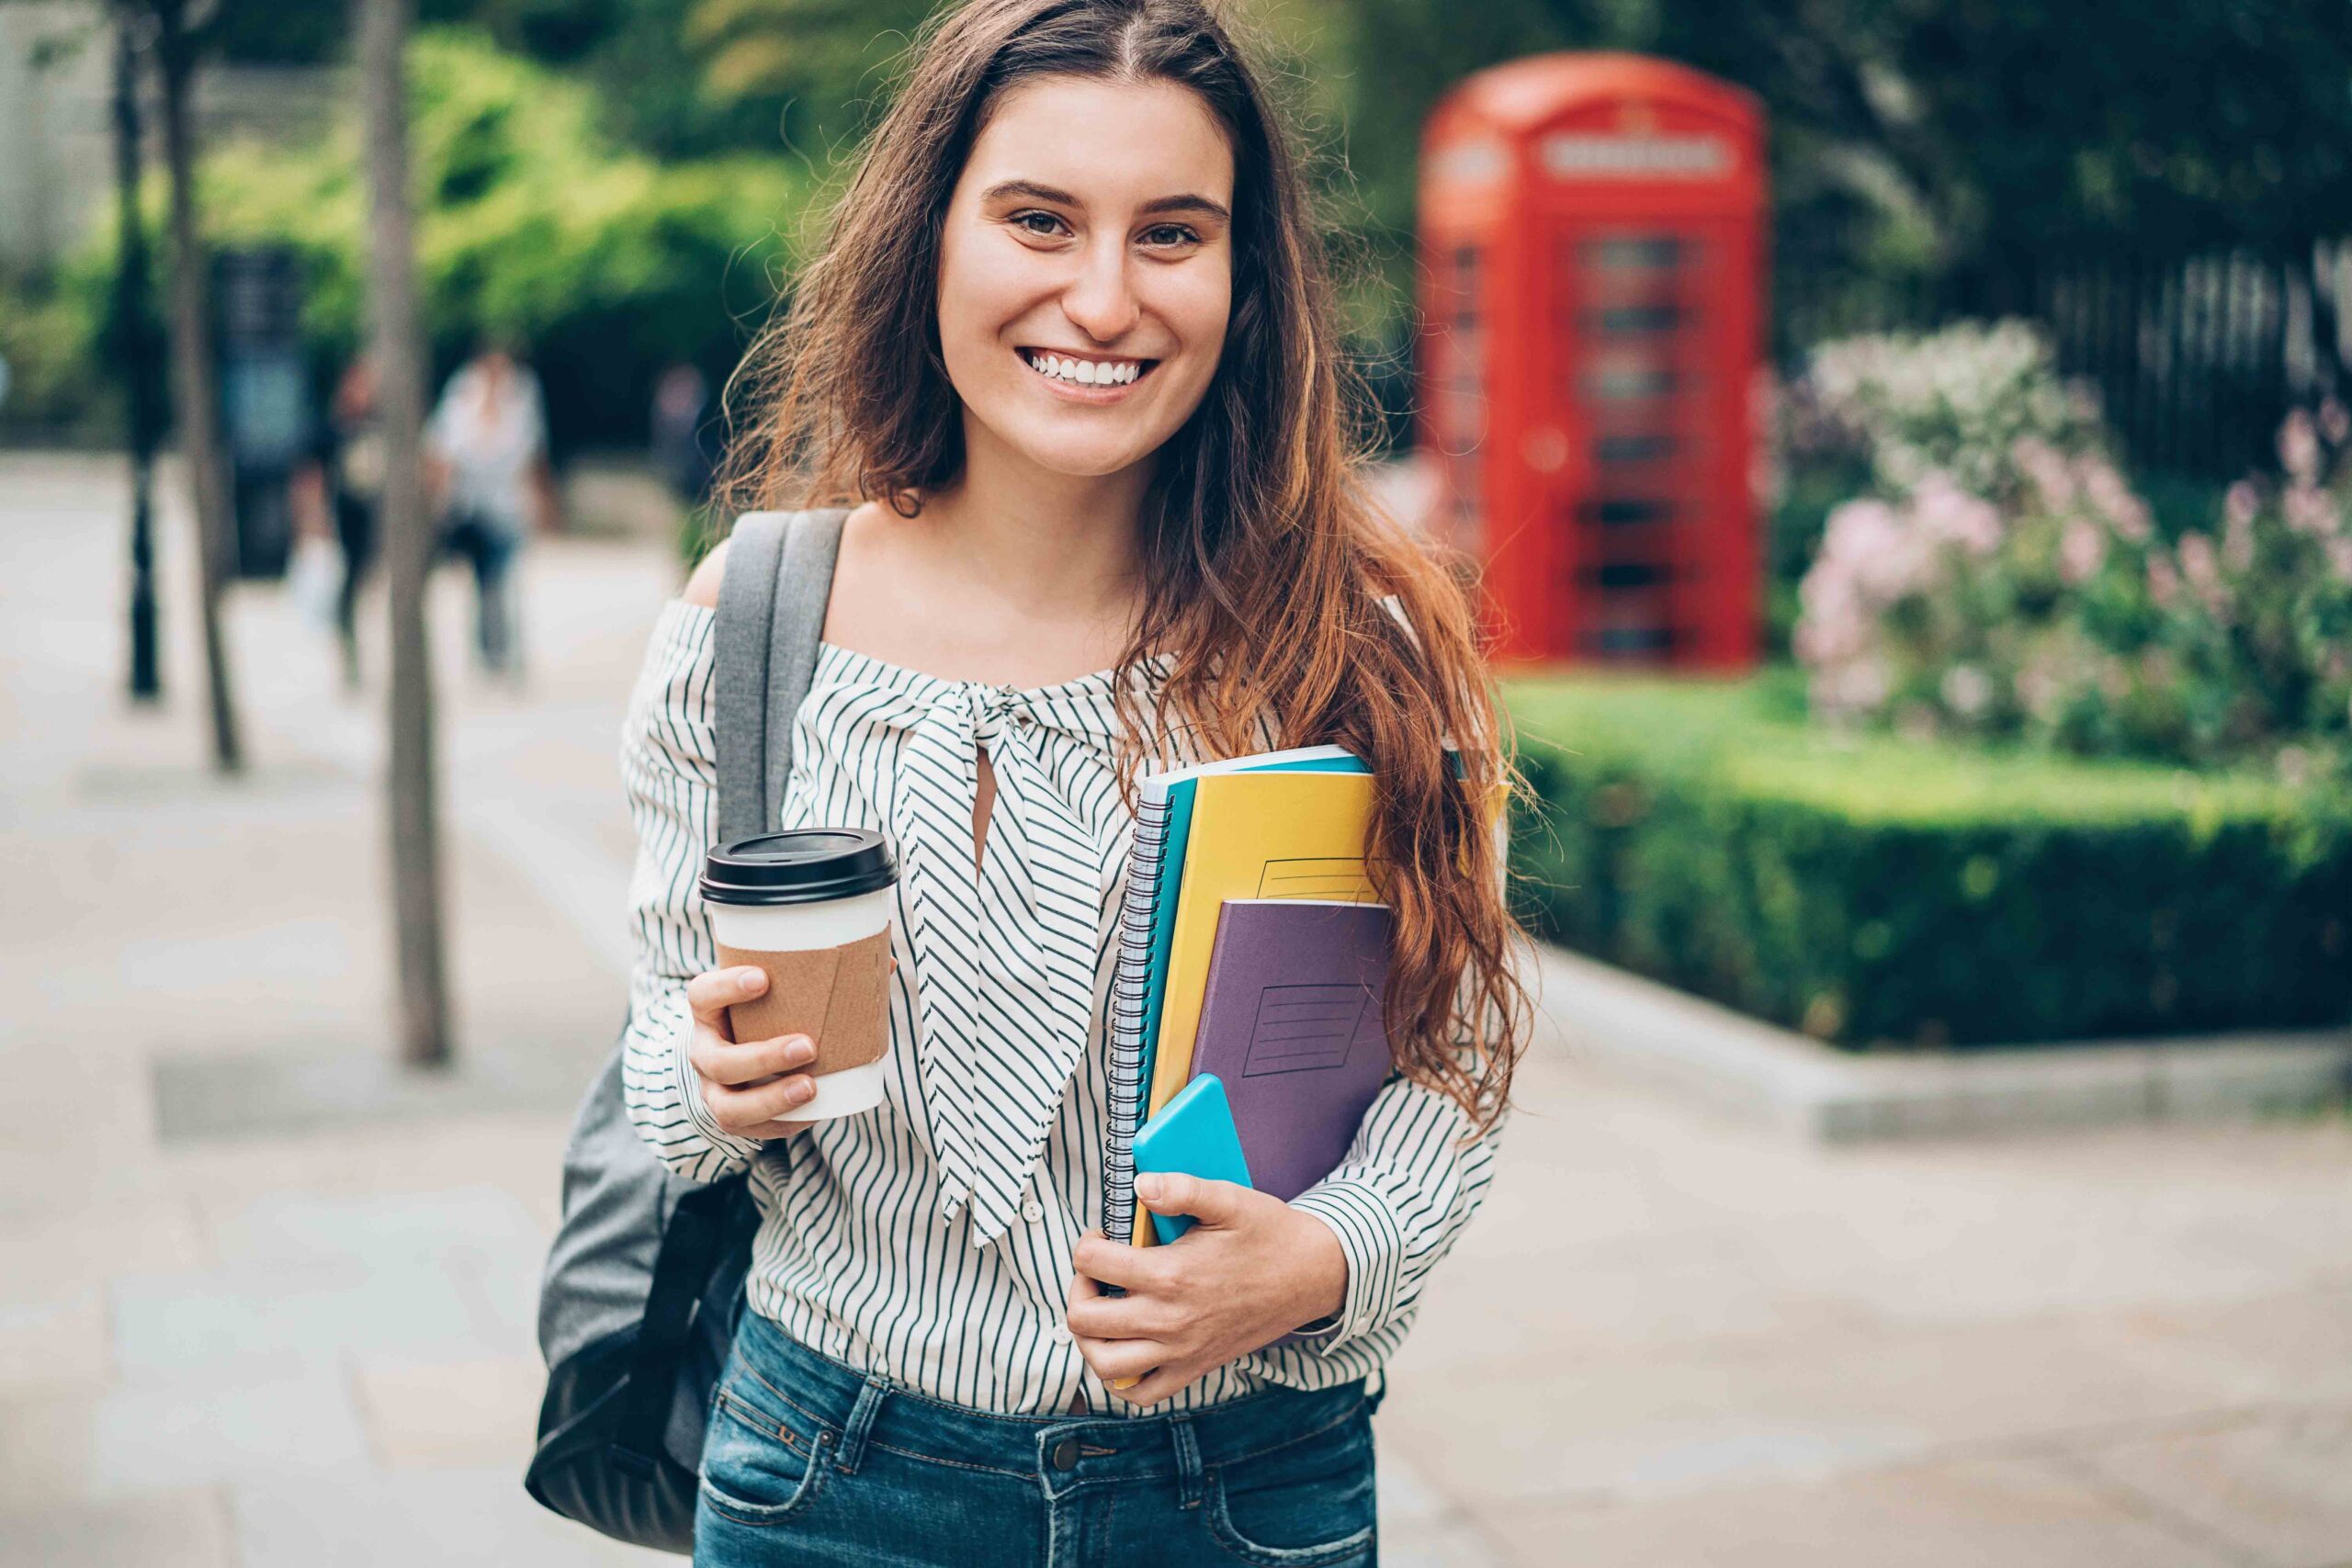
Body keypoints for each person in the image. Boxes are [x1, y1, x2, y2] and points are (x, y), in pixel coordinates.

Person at [615, 4, 1530, 1562]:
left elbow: (1455, 1066)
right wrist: (703, 1078)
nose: (1101, 299)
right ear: (934, 239)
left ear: (1245, 285)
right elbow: (653, 1072)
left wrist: (1320, 1256)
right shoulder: (752, 627)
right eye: (1039, 219)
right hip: (826, 1481)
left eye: (1171, 234)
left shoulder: (1356, 647)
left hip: (1244, 1489)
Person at [425, 338, 557, 676]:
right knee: (483, 583)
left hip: (509, 504)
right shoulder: (463, 392)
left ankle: (508, 652)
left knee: (506, 577)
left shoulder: (522, 391)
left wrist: (543, 498)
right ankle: (487, 651)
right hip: (471, 505)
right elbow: (444, 448)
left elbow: (533, 450)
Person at [289, 355, 385, 687]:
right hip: (341, 519)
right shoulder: (330, 430)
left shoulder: (378, 426)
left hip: (372, 520)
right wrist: (312, 520)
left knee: (364, 585)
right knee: (345, 591)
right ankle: (350, 654)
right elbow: (310, 477)